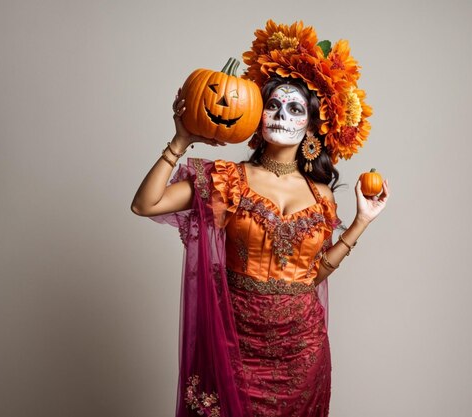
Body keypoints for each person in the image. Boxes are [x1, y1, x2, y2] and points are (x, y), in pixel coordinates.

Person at [131, 20, 390, 417]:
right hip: (235, 344)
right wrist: (180, 141)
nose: (281, 115)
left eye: (295, 108)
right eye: (272, 105)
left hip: (303, 351)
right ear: (256, 115)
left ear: (311, 125)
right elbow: (145, 205)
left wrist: (361, 222)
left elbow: (313, 274)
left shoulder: (321, 196)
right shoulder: (228, 180)